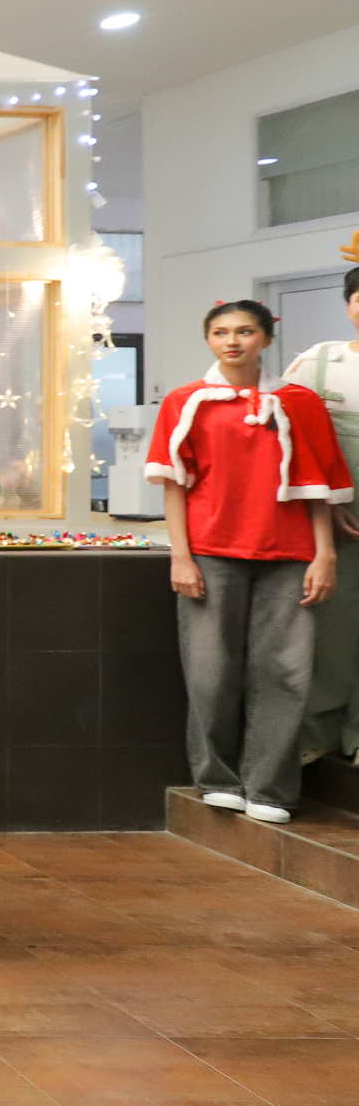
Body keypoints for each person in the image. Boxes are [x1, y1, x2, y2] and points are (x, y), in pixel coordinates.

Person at [152, 300, 350, 824]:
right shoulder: (184, 402)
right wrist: (181, 557)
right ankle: (218, 779)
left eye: (244, 331)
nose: (232, 341)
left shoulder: (300, 402)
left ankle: (271, 790)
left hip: (290, 557)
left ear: (266, 338)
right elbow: (174, 487)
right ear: (208, 339)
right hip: (211, 554)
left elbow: (318, 488)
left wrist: (324, 554)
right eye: (220, 332)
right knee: (210, 673)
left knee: (286, 675)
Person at [283, 267, 359, 768]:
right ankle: (321, 730)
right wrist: (328, 504)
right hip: (336, 509)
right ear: (348, 305)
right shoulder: (319, 362)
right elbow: (290, 438)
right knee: (333, 617)